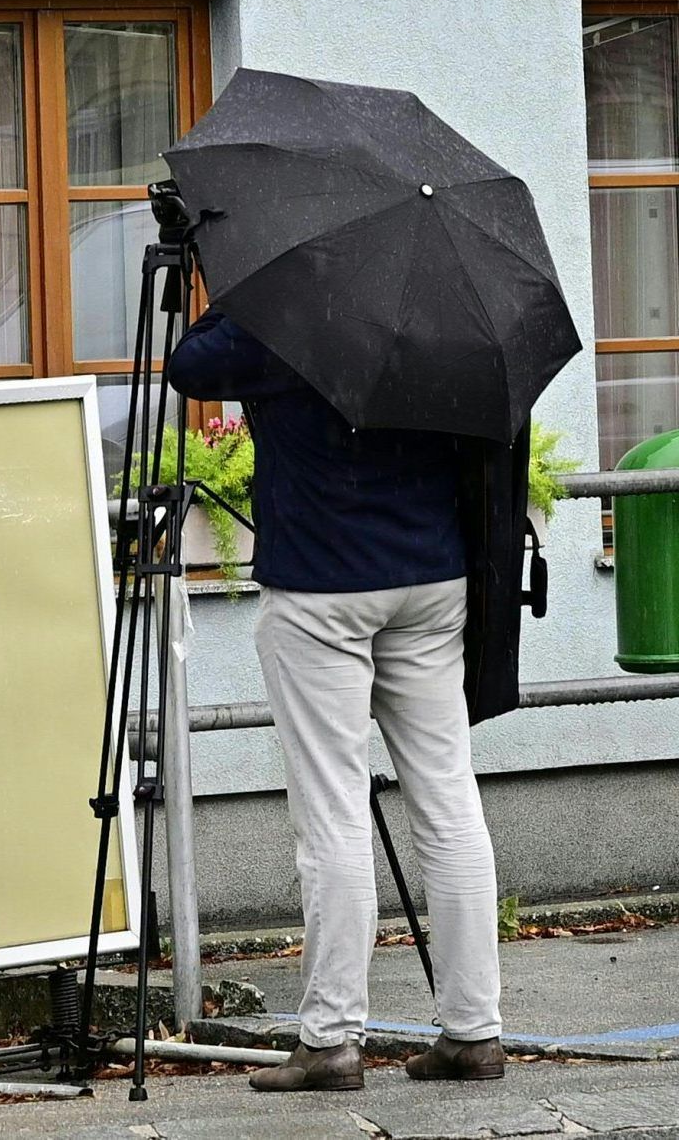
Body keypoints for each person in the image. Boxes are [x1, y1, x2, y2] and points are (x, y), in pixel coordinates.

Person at [165, 311, 505, 1090]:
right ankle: (474, 1030)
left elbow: (190, 364)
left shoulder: (285, 310)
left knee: (334, 810)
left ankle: (330, 1039)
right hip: (430, 573)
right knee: (449, 802)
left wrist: (226, 281)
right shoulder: (429, 309)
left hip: (322, 584)